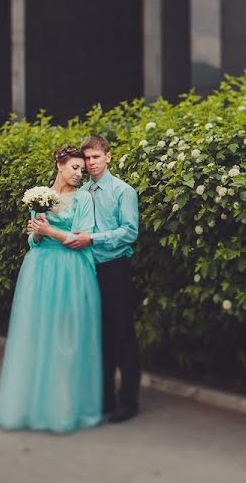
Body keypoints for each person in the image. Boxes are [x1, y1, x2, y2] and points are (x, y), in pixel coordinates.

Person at [0, 146, 103, 433]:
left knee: (66, 338)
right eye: (75, 167)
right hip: (40, 268)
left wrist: (49, 232)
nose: (81, 173)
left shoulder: (83, 199)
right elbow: (33, 241)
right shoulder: (41, 197)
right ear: (59, 165)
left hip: (71, 270)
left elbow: (80, 237)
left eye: (83, 169)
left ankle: (64, 409)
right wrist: (35, 231)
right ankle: (35, 407)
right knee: (38, 334)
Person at [64, 135, 141, 423]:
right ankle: (106, 399)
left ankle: (129, 402)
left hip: (115, 269)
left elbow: (130, 232)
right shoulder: (81, 192)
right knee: (99, 336)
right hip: (88, 270)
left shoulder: (123, 191)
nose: (91, 163)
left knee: (123, 335)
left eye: (96, 156)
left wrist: (93, 238)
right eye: (86, 158)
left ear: (108, 156)